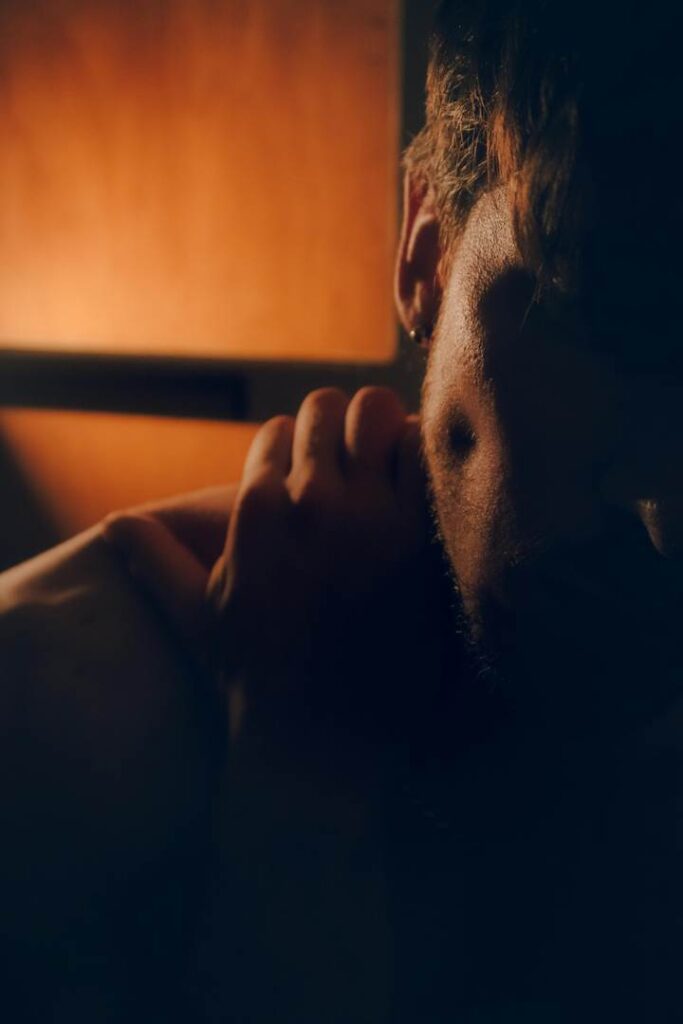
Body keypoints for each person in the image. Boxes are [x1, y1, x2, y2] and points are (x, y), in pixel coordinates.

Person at [2, 0, 683, 1019]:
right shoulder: (56, 696)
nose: (664, 516)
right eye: (594, 326)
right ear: (426, 257)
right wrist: (297, 788)